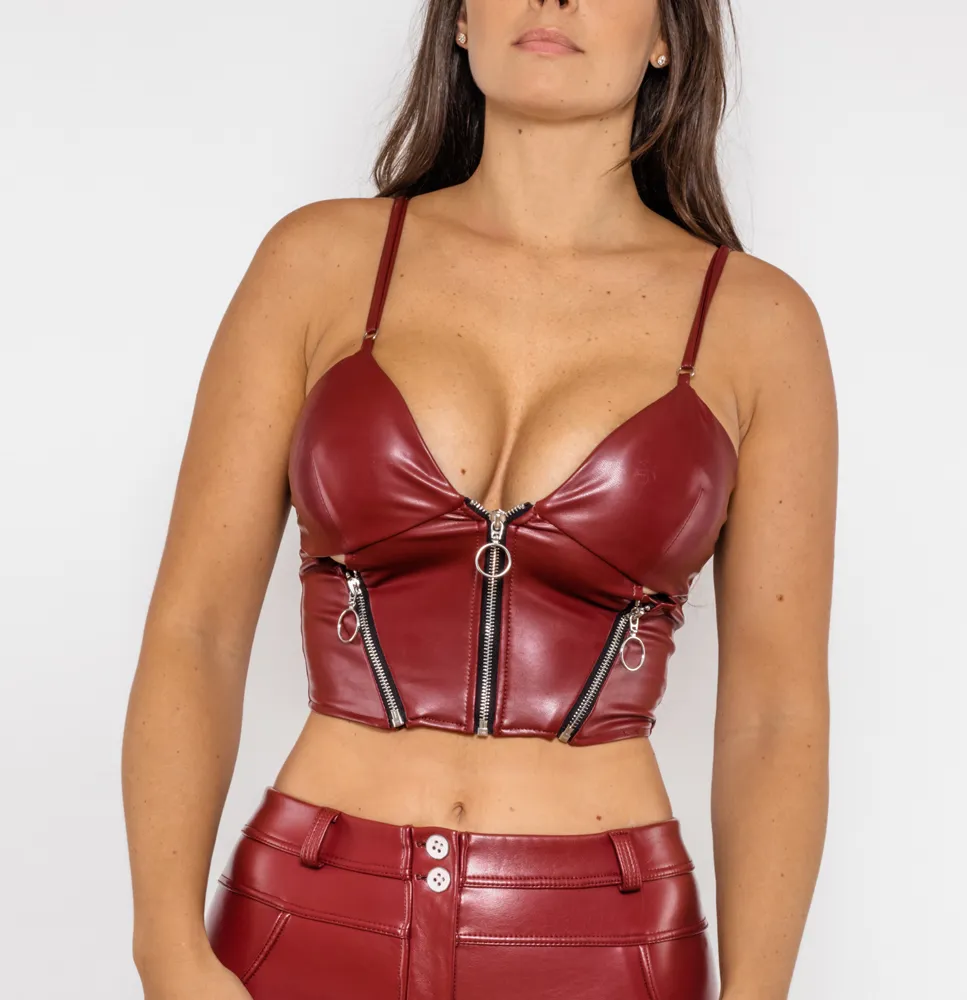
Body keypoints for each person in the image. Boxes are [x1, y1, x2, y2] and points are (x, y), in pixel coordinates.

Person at [122, 2, 837, 998]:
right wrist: (165, 947)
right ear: (459, 21)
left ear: (668, 36)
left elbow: (774, 713)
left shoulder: (757, 324)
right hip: (307, 914)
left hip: (604, 945)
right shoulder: (319, 264)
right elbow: (195, 629)